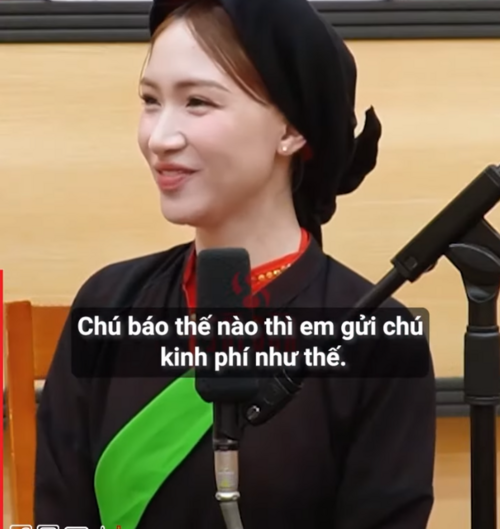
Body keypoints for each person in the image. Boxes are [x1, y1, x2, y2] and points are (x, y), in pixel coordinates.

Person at [34, 0, 436, 528]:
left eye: (198, 102)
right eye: (151, 101)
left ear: (291, 129)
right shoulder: (109, 301)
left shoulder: (374, 340)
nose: (160, 138)